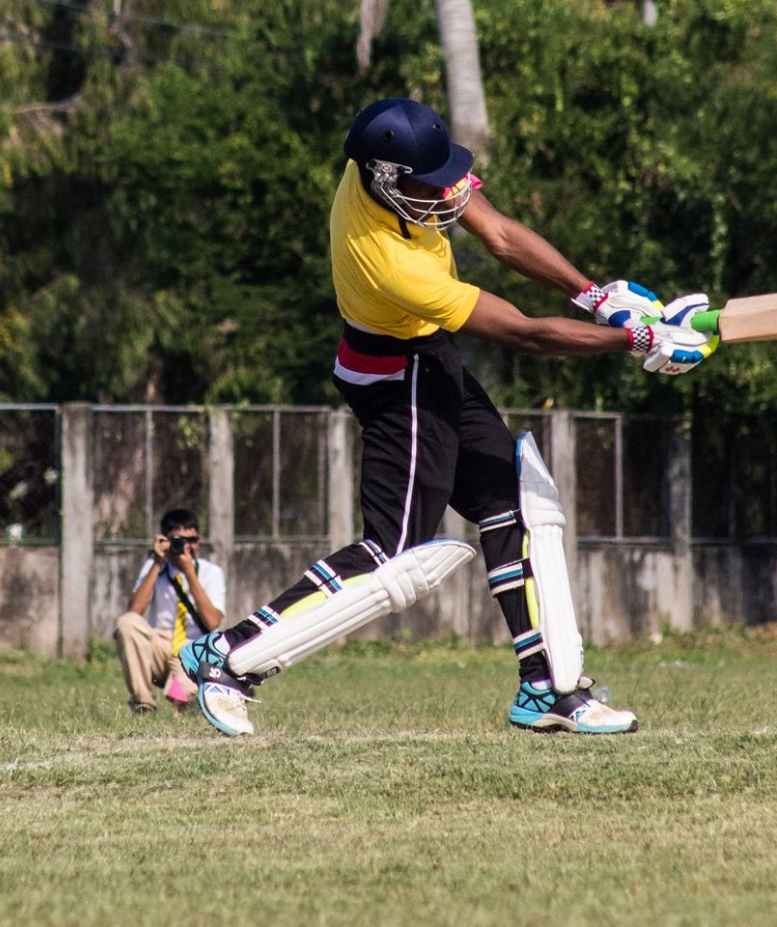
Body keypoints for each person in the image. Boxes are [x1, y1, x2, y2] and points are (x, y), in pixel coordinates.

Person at [179, 97, 716, 738]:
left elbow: (501, 234)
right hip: (393, 377)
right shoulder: (385, 259)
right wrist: (637, 341)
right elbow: (522, 334)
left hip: (430, 355)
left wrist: (599, 298)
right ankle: (227, 660)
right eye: (428, 187)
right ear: (383, 180)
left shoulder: (397, 169)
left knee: (511, 502)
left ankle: (547, 687)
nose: (446, 195)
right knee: (394, 553)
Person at [113, 508, 225, 715]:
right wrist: (157, 562)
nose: (186, 547)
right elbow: (134, 611)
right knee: (127, 623)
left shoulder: (211, 572)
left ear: (198, 542)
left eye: (191, 540)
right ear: (164, 540)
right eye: (178, 540)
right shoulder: (154, 567)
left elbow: (212, 622)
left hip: (193, 649)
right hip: (161, 646)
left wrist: (189, 573)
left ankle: (194, 697)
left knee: (184, 704)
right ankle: (143, 705)